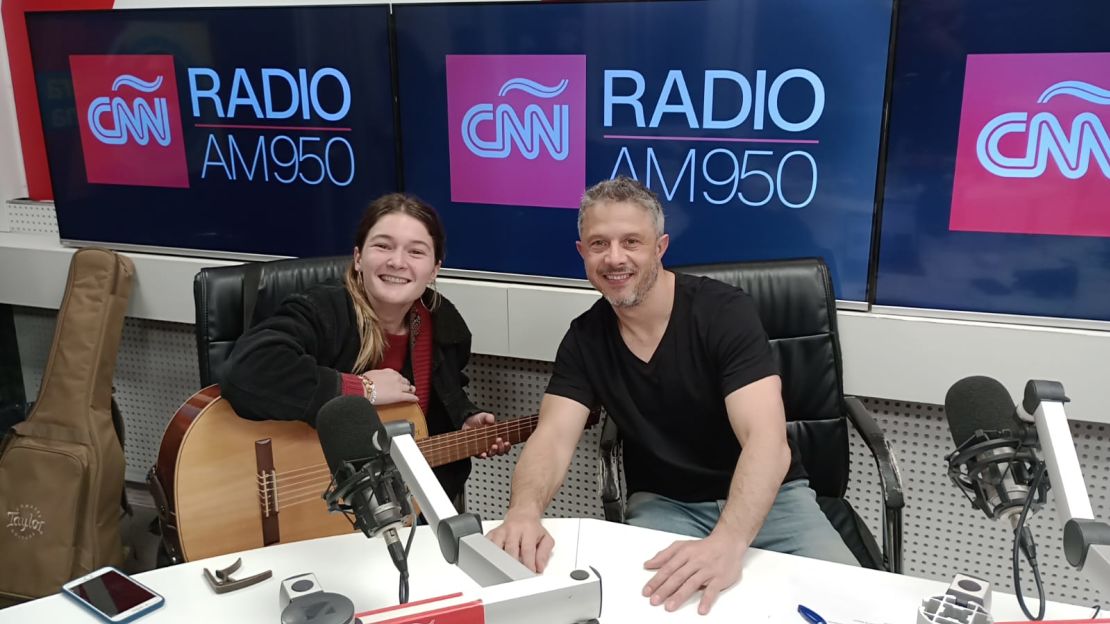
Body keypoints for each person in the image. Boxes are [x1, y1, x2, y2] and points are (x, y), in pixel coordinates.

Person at [487, 177, 857, 615]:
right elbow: (553, 436)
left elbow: (767, 443)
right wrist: (524, 511)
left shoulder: (722, 313)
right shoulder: (584, 339)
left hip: (775, 501)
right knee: (643, 610)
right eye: (599, 243)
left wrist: (727, 540)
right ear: (582, 253)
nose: (615, 257)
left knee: (847, 607)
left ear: (660, 247)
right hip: (667, 505)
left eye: (632, 242)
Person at [222, 193, 508, 507]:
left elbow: (442, 398)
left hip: (395, 505)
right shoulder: (324, 309)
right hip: (307, 505)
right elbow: (247, 369)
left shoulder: (444, 323)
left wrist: (464, 420)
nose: (397, 261)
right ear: (358, 257)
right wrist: (363, 389)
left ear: (434, 269)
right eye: (383, 246)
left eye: (416, 251)